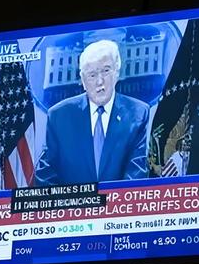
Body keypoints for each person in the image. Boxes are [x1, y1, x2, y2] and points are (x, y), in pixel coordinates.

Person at [35, 40, 149, 185]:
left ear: (117, 72)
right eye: (92, 75)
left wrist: (110, 206)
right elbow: (45, 177)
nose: (99, 81)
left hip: (119, 206)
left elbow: (137, 174)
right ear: (82, 80)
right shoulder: (59, 116)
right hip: (72, 206)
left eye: (106, 71)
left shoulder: (138, 113)